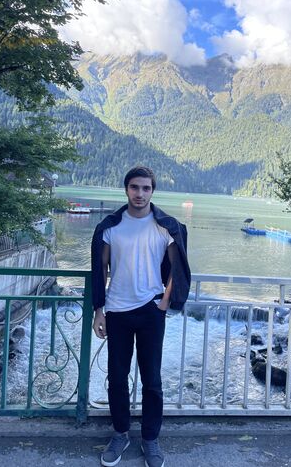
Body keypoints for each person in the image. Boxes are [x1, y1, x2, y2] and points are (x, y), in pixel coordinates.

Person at [91, 166, 191, 467]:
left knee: (152, 380)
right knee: (117, 378)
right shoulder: (111, 226)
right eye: (135, 187)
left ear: (152, 191)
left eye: (146, 188)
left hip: (150, 311)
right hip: (117, 311)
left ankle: (150, 439)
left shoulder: (166, 227)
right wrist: (99, 310)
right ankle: (120, 433)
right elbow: (101, 269)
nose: (140, 193)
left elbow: (177, 267)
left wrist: (164, 302)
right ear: (126, 189)